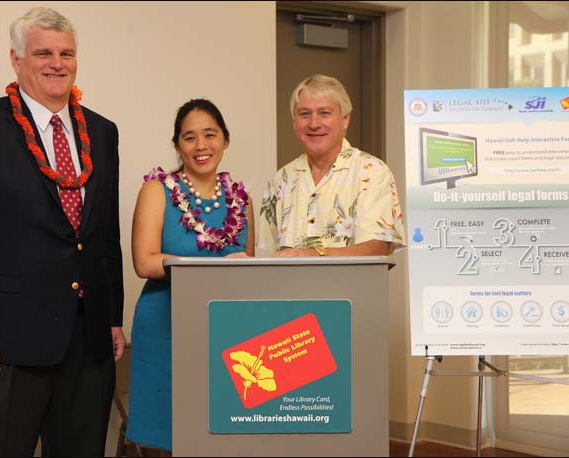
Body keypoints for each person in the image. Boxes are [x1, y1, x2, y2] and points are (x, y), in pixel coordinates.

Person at [0, 7, 124, 457]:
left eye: (66, 53)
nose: (57, 63)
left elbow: (103, 235)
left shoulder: (102, 131)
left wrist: (111, 315)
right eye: (43, 53)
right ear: (17, 60)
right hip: (4, 342)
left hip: (87, 340)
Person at [128, 98, 254, 454]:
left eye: (210, 135)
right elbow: (144, 262)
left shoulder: (240, 200)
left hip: (225, 328)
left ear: (225, 140)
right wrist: (208, 266)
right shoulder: (158, 191)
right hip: (166, 325)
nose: (201, 146)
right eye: (189, 137)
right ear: (177, 145)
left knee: (221, 431)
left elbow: (246, 267)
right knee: (168, 430)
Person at [258, 74, 405, 256]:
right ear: (294, 122)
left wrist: (313, 254)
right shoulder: (281, 179)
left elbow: (377, 249)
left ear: (345, 119)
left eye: (324, 113)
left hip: (350, 285)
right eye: (304, 114)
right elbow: (265, 255)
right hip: (286, 285)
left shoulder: (372, 172)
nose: (314, 123)